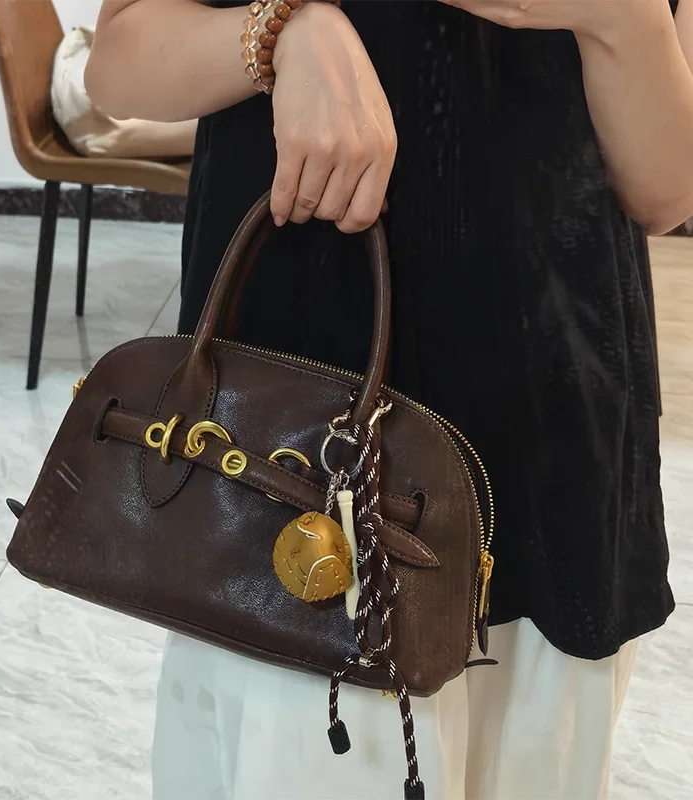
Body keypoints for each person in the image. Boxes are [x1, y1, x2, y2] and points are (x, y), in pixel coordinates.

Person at [85, 1, 691, 797]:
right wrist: (279, 32)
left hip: (557, 431)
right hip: (297, 447)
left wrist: (623, 19)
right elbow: (119, 65)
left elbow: (667, 191)